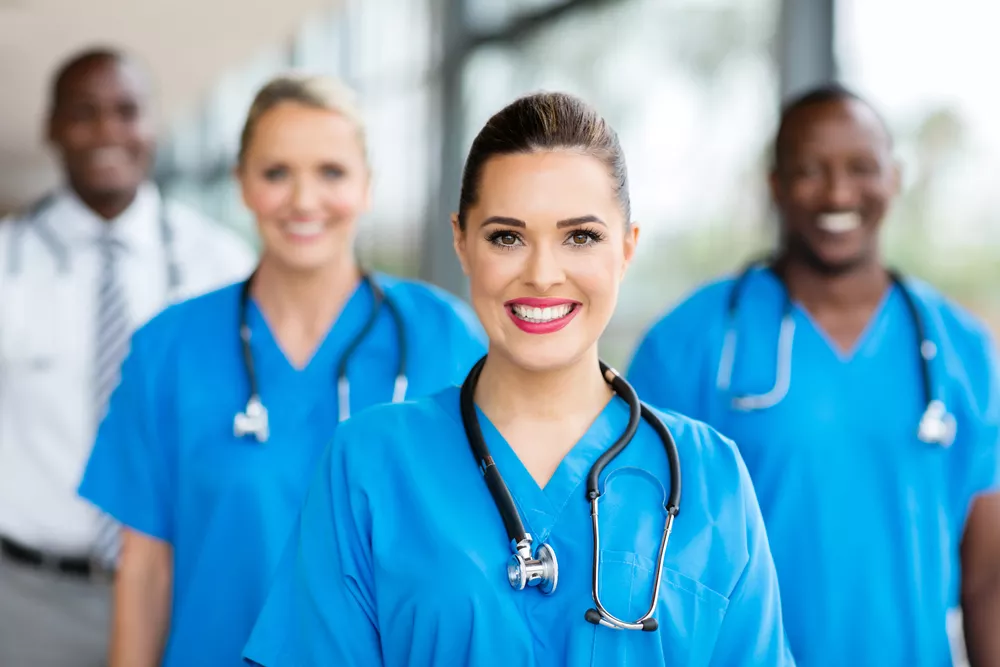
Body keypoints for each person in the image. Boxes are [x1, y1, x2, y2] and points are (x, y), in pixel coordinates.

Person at [241, 91, 795, 667]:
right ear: (462, 242)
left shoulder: (709, 473)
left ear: (627, 248)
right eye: (506, 237)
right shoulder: (369, 463)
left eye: (580, 236)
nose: (543, 274)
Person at [76, 72, 488, 667]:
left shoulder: (443, 338)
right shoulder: (169, 348)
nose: (303, 199)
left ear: (367, 186)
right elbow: (144, 571)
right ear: (242, 183)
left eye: (331, 172)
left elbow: (483, 549)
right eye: (276, 173)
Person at [627, 84, 1000, 666]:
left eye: (861, 167)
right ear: (775, 185)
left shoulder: (963, 351)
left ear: (894, 178)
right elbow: (639, 562)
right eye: (809, 170)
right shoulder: (689, 344)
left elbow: (988, 584)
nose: (838, 190)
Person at [0, 47, 255, 667]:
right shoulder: (5, 262)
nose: (108, 131)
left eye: (127, 111)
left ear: (153, 125)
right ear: (51, 127)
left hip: (188, 590)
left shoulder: (222, 266)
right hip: (30, 603)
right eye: (84, 113)